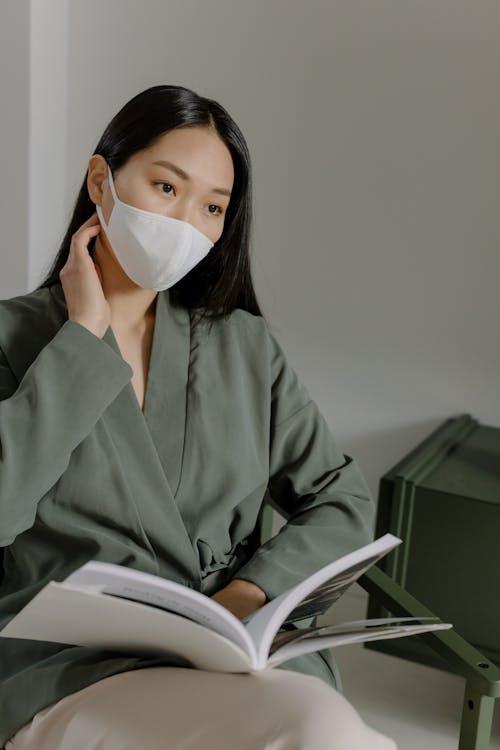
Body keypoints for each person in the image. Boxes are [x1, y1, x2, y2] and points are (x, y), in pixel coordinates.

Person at [0, 84, 397, 749]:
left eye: (213, 206)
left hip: (237, 653)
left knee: (321, 729)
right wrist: (81, 338)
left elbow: (342, 503)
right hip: (73, 668)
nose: (187, 222)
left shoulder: (244, 346)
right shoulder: (13, 337)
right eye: (166, 188)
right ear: (102, 180)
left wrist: (248, 592)